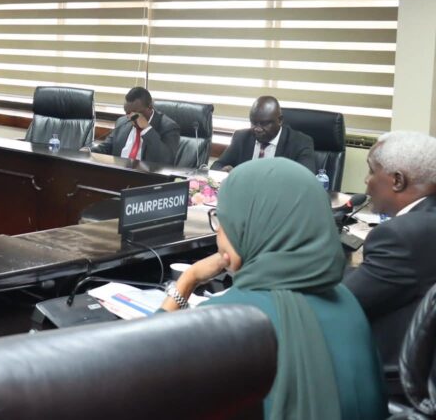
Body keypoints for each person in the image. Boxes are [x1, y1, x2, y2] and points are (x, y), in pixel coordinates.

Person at [160, 158, 385, 420]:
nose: (219, 233)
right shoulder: (346, 300)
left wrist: (187, 280)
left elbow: (138, 379)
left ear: (250, 226)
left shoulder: (223, 321)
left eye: (222, 220)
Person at [344, 131, 436, 371]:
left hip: (389, 374)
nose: (366, 180)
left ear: (397, 181)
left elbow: (344, 301)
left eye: (371, 171)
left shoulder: (401, 235)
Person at [211, 95, 315, 173]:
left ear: (280, 120)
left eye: (264, 123)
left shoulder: (300, 143)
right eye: (253, 123)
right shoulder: (241, 137)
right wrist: (224, 171)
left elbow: (306, 178)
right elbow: (217, 165)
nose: (257, 129)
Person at [92, 86, 180, 165]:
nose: (130, 117)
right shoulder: (122, 122)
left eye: (134, 113)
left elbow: (166, 160)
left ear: (150, 107)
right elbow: (105, 148)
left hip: (145, 176)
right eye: (127, 113)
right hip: (118, 173)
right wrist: (87, 152)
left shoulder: (169, 127)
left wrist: (147, 129)